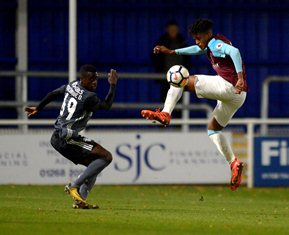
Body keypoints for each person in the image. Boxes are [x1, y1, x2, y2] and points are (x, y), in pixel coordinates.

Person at [142, 19, 247, 191]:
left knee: (178, 77)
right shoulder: (209, 44)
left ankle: (166, 113)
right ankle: (233, 163)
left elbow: (235, 52)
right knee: (213, 129)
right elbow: (196, 50)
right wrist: (172, 51)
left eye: (198, 38)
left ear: (207, 35)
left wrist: (240, 77)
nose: (197, 42)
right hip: (238, 96)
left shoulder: (216, 44)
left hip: (229, 86)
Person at [25, 64, 118, 208]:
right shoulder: (89, 97)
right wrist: (112, 86)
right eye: (91, 79)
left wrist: (39, 107)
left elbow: (53, 93)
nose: (95, 82)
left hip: (57, 137)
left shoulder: (72, 85)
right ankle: (74, 186)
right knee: (106, 157)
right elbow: (106, 106)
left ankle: (80, 200)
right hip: (67, 138)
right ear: (83, 79)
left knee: (94, 166)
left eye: (96, 79)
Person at [152, 21, 191, 100]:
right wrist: (160, 70)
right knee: (165, 98)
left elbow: (188, 58)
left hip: (180, 77)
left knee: (179, 100)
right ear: (167, 30)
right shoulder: (161, 42)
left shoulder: (183, 42)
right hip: (165, 77)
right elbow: (155, 57)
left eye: (175, 30)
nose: (173, 32)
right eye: (171, 30)